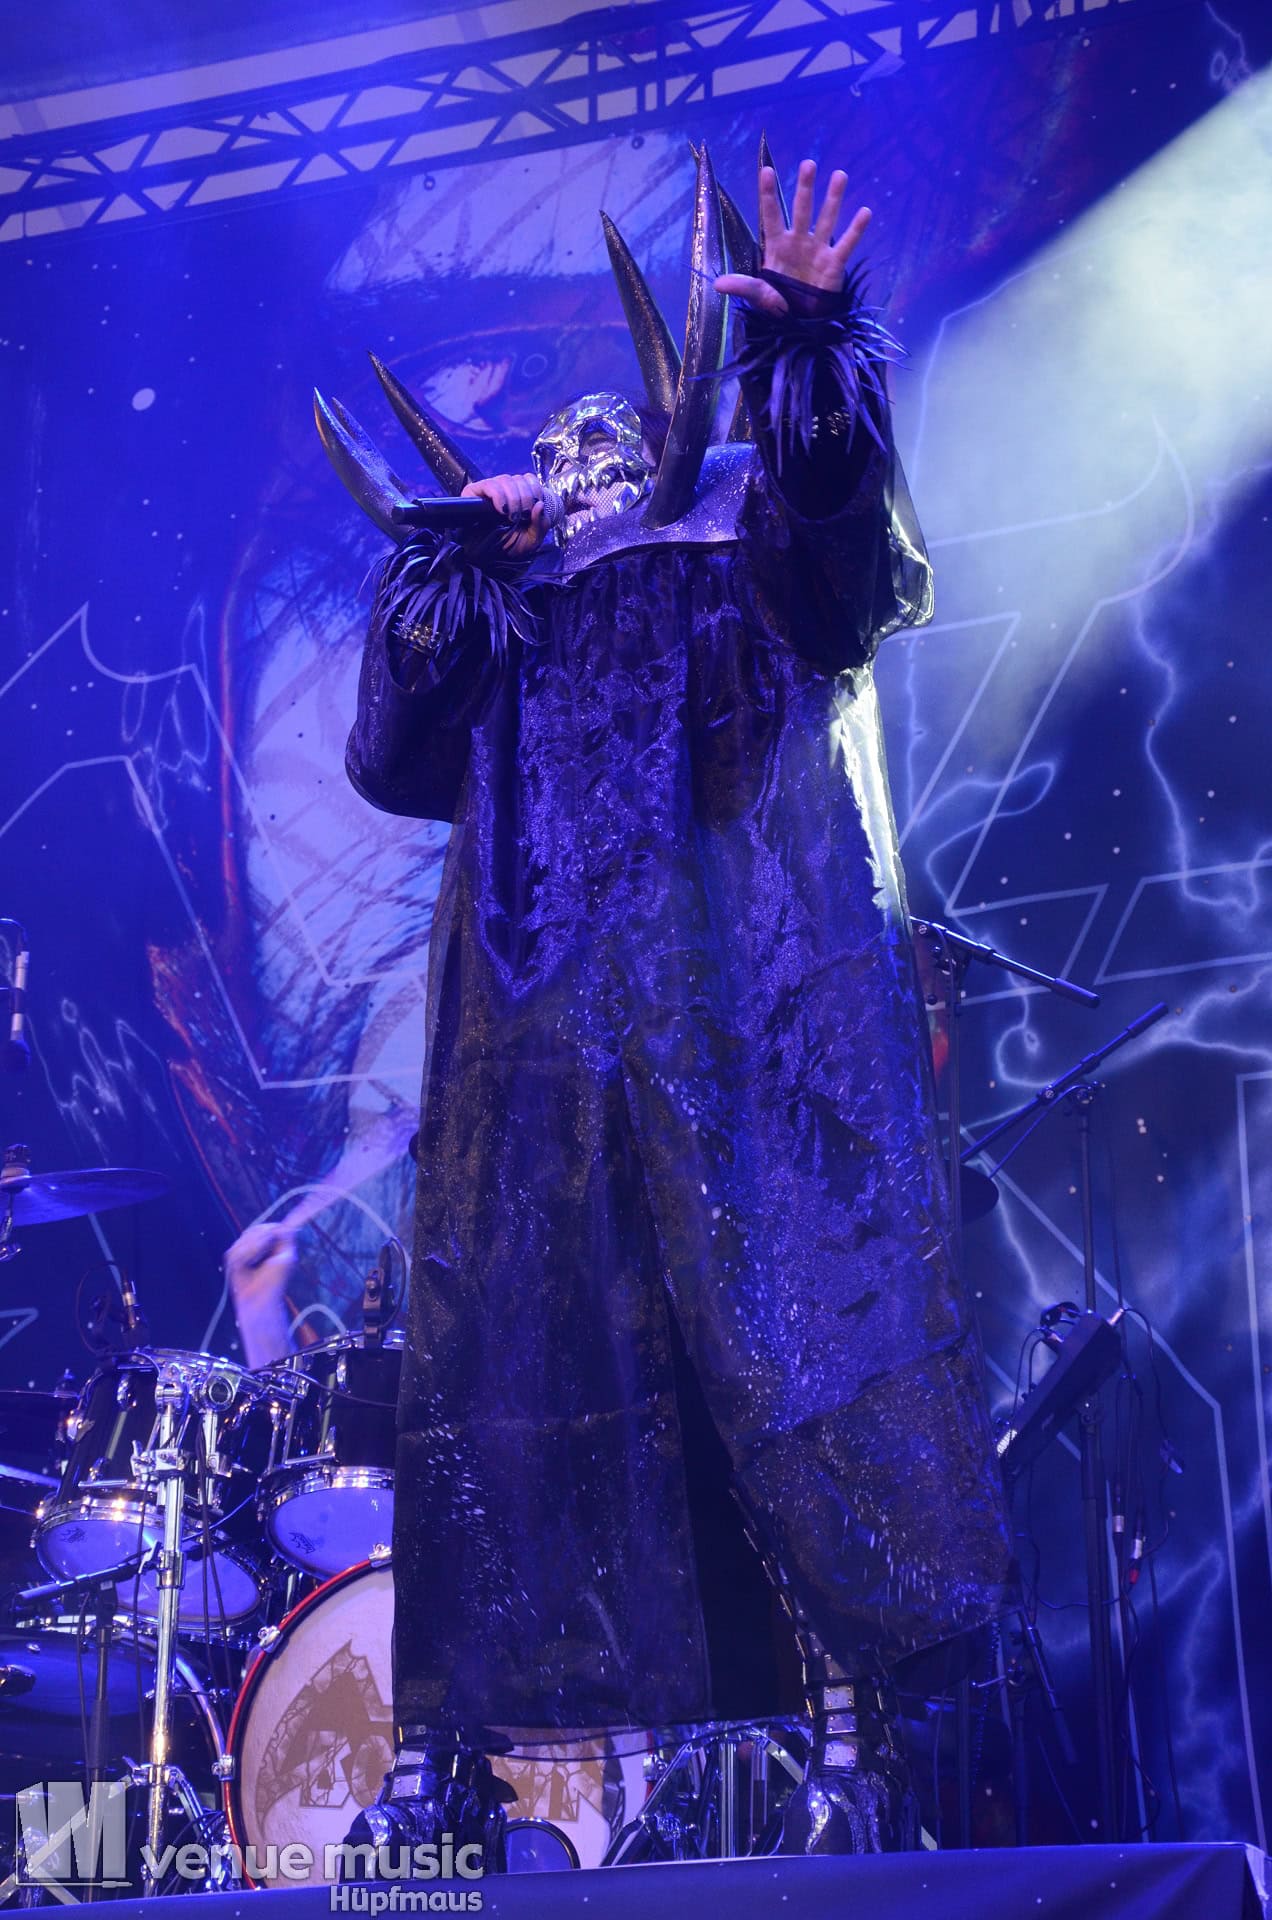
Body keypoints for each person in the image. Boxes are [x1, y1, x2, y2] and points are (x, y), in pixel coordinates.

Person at [319, 148, 1014, 1861]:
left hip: (750, 1035)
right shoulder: (514, 621)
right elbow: (392, 757)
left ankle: (853, 1748)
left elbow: (840, 560)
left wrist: (812, 358)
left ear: (665, 452)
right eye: (551, 460)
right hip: (543, 1071)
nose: (575, 477)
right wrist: (453, 576)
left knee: (799, 1363)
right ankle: (484, 1780)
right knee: (529, 1389)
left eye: (601, 451)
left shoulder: (728, 558)